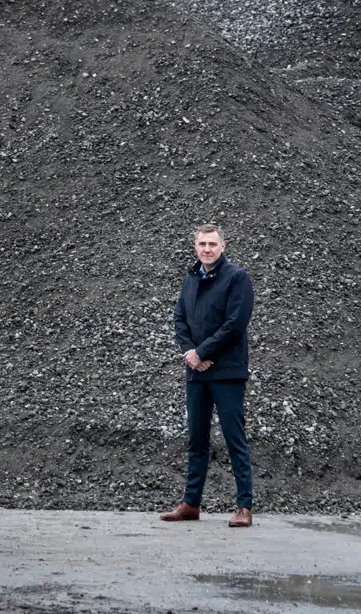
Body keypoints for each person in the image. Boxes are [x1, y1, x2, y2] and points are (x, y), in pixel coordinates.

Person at [160, 224, 255, 527]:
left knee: (233, 438)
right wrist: (191, 354)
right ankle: (191, 504)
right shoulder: (190, 279)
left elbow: (235, 324)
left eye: (212, 244)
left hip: (227, 373)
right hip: (196, 374)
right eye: (202, 244)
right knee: (197, 440)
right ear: (195, 246)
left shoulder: (237, 279)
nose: (207, 249)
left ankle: (244, 507)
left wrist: (202, 353)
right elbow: (179, 320)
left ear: (223, 247)